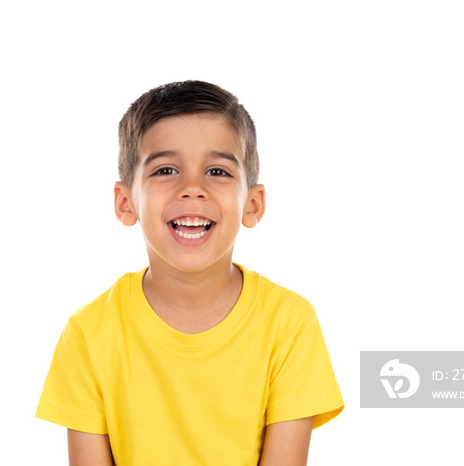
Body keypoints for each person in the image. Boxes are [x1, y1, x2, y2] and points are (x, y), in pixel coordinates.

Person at [36, 81, 344, 465]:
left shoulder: (291, 324)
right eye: (166, 169)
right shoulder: (88, 333)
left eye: (217, 170)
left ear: (252, 205)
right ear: (125, 202)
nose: (193, 189)